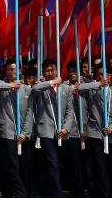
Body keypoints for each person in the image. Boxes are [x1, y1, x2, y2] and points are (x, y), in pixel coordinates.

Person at [26, 60, 75, 198]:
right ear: (43, 73)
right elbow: (34, 89)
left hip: (62, 133)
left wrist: (66, 128)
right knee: (52, 164)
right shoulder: (42, 87)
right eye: (47, 70)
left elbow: (70, 111)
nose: (51, 73)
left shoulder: (67, 89)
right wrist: (51, 83)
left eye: (53, 70)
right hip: (45, 132)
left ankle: (46, 191)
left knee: (57, 166)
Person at [0, 61, 32, 198]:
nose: (12, 72)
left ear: (21, 70)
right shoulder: (1, 86)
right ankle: (19, 194)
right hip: (5, 133)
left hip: (22, 134)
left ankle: (14, 192)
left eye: (15, 69)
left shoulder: (26, 88)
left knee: (21, 167)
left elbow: (30, 112)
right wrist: (10, 86)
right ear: (5, 71)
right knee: (11, 167)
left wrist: (25, 133)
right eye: (10, 69)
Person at [78, 65, 112, 195]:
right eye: (99, 74)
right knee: (99, 167)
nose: (103, 76)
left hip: (111, 134)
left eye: (105, 74)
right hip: (95, 132)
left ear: (110, 76)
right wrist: (97, 83)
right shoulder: (93, 90)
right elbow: (80, 87)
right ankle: (102, 193)